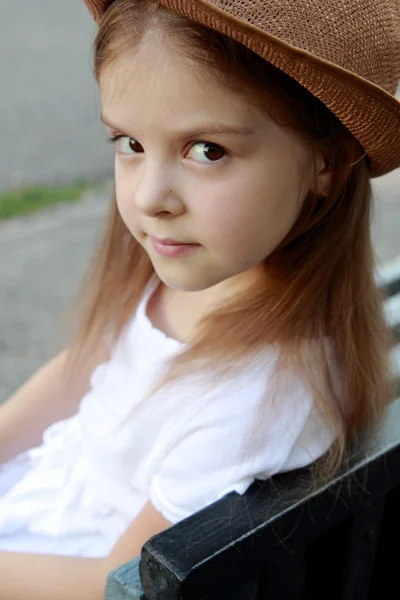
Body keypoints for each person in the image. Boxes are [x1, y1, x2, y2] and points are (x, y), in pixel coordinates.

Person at [0, 0, 399, 597]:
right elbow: (84, 369)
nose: (149, 197)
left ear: (327, 162)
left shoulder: (259, 398)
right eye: (129, 142)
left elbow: (114, 584)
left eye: (207, 150)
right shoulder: (206, 264)